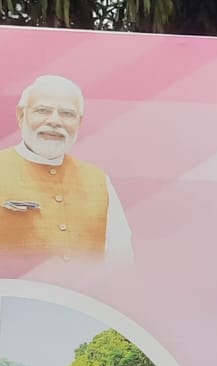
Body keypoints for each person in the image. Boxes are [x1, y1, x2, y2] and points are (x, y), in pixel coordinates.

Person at [1, 75, 134, 260]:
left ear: (79, 122)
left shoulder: (98, 181)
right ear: (21, 115)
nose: (55, 121)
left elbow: (121, 260)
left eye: (67, 113)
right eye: (43, 110)